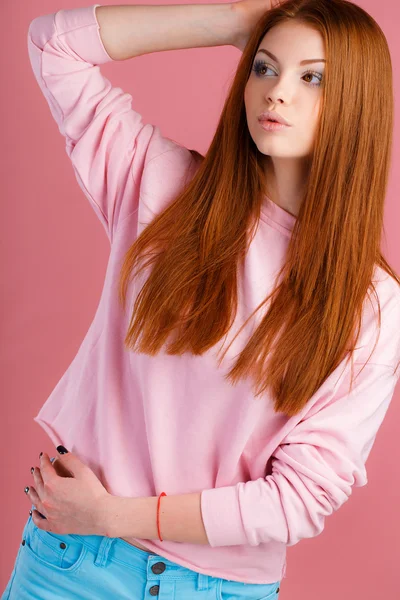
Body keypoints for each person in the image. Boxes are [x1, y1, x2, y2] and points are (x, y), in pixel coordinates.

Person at [3, 0, 400, 597]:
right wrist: (232, 21)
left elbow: (300, 500)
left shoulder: (373, 305)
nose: (277, 92)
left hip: (212, 588)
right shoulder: (160, 186)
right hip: (68, 565)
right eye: (263, 67)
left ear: (359, 104)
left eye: (311, 76)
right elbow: (53, 47)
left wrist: (115, 517)